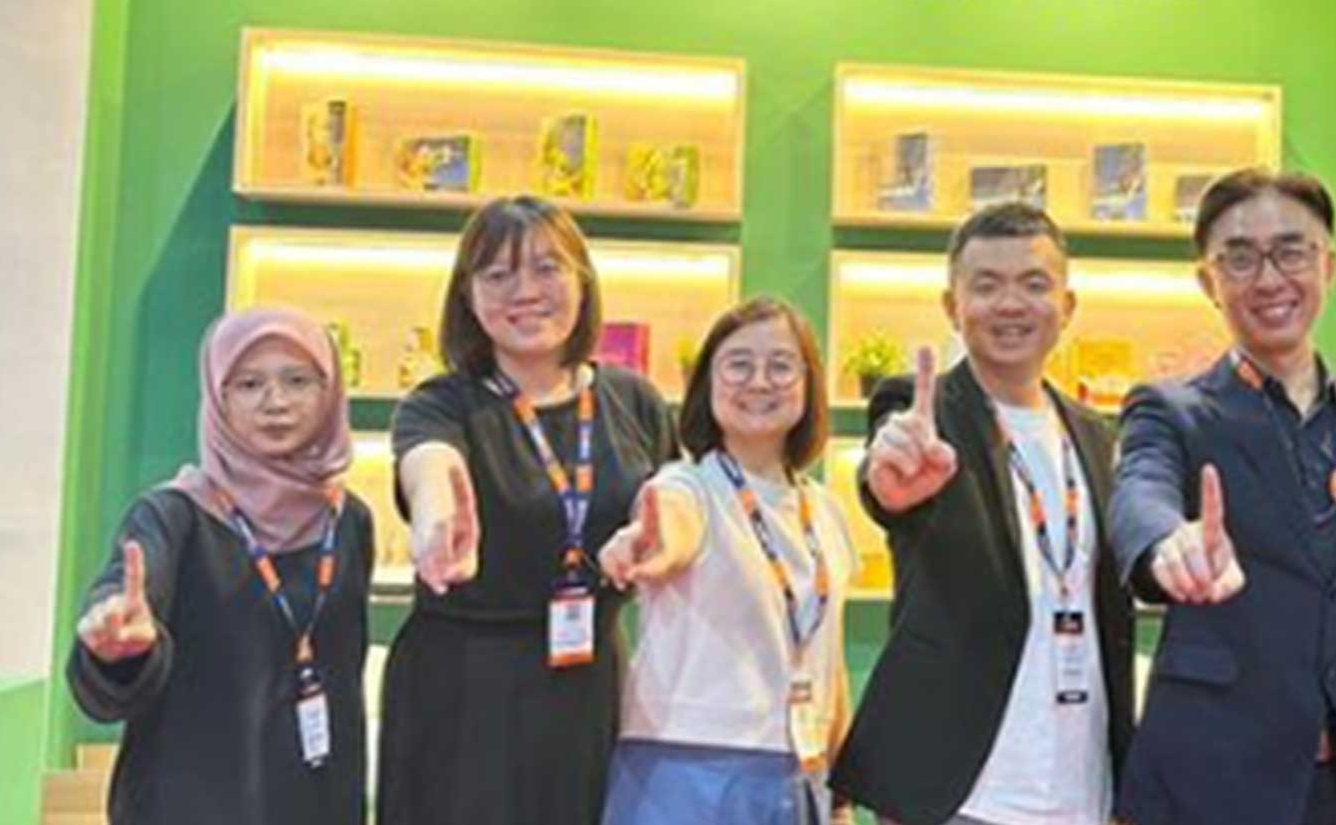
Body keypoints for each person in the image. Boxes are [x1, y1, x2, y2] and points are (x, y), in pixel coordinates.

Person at [1110, 168, 1336, 825]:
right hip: (1214, 791)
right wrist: (1166, 544)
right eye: (1239, 258)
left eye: (1291, 251)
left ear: (1328, 265)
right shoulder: (1171, 412)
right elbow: (1141, 490)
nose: (1269, 278)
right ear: (1208, 282)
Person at [378, 196, 677, 825]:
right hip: (466, 686)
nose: (526, 292)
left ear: (582, 281)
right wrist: (437, 523)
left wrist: (661, 542)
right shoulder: (441, 403)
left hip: (589, 679)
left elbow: (674, 506)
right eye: (498, 274)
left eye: (548, 268)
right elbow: (431, 468)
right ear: (467, 295)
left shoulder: (635, 401)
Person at [833, 202, 1133, 825]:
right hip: (959, 791)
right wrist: (888, 480)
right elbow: (886, 480)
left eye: (1034, 284)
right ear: (952, 307)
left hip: (1082, 788)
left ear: (1067, 306)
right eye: (987, 286)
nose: (1011, 304)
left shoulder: (1096, 435)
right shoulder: (922, 411)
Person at [69, 307, 371, 824]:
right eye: (249, 384)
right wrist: (114, 646)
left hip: (314, 799)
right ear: (218, 397)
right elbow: (126, 595)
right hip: (187, 804)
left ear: (331, 391)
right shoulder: (173, 515)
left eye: (298, 381)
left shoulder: (348, 521)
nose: (275, 402)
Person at [598, 296, 856, 824]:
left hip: (801, 771)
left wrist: (840, 794)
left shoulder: (826, 511)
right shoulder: (686, 487)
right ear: (707, 384)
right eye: (738, 365)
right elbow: (670, 530)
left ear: (808, 385)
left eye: (781, 366)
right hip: (683, 772)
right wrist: (645, 545)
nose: (759, 382)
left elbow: (828, 661)